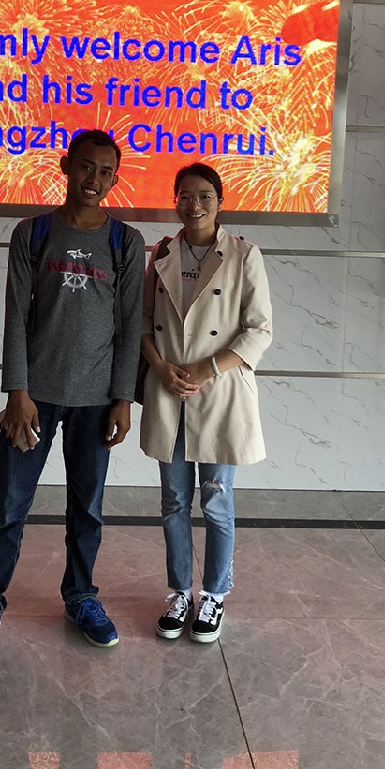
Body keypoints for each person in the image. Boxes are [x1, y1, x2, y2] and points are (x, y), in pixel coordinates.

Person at [0, 129, 145, 661]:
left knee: (87, 509)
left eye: (106, 172)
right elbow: (16, 315)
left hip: (96, 401)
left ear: (115, 179)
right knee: (9, 507)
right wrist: (17, 392)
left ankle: (81, 597)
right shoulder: (33, 233)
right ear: (66, 166)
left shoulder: (126, 242)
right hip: (33, 400)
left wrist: (122, 399)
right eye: (86, 167)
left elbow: (130, 325)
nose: (94, 179)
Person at [139, 162, 272, 643]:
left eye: (204, 196)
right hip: (169, 390)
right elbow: (143, 322)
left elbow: (259, 330)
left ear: (219, 202)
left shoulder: (243, 254)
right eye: (185, 196)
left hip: (218, 393)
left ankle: (213, 594)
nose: (194, 205)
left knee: (216, 500)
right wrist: (160, 368)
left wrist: (208, 368)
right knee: (174, 502)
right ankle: (179, 592)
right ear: (174, 200)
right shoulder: (161, 254)